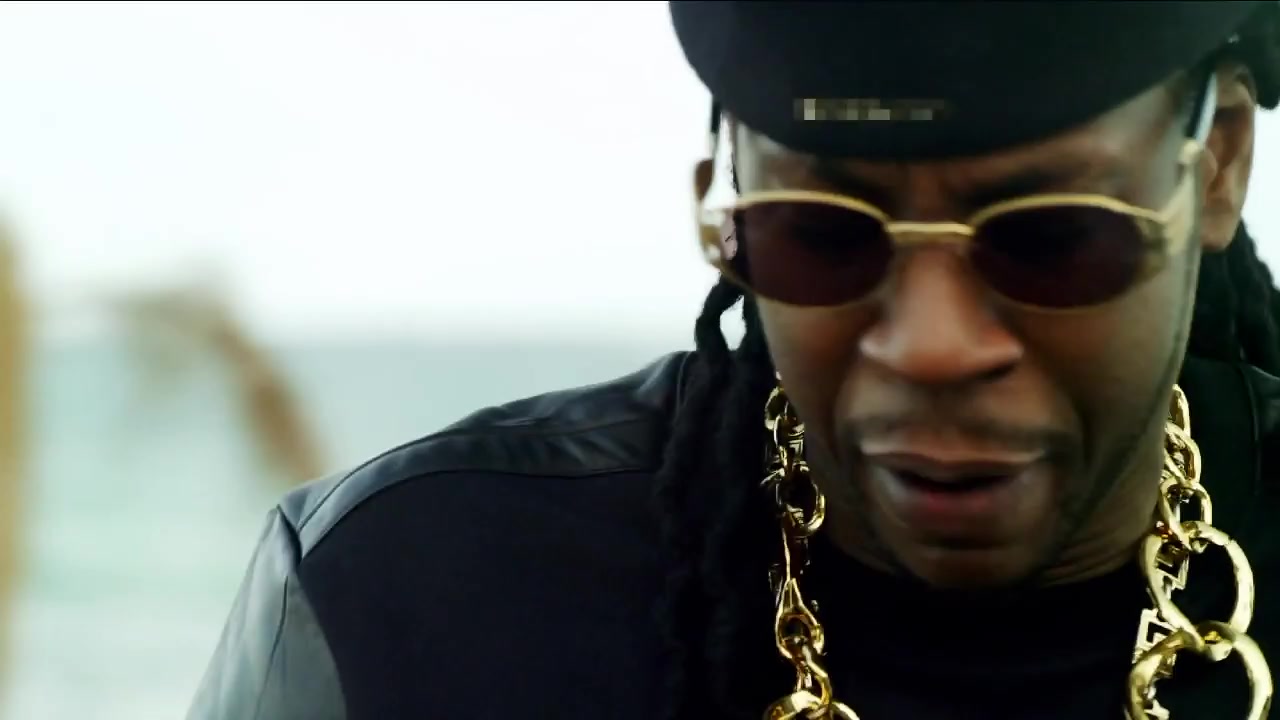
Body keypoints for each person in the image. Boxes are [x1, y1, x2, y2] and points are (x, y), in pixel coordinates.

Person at [187, 3, 1280, 718]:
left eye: (1051, 236)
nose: (932, 347)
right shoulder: (402, 603)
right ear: (727, 195)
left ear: (1219, 164)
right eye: (822, 232)